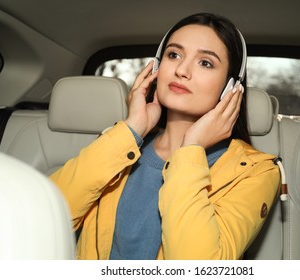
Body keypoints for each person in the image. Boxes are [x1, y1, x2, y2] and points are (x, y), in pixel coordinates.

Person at [50, 12, 280, 260]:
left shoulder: (257, 172)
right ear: (157, 68)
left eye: (205, 62)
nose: (182, 70)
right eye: (174, 55)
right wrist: (133, 127)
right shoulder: (118, 144)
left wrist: (191, 149)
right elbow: (45, 217)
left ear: (231, 88)